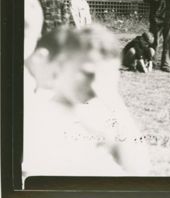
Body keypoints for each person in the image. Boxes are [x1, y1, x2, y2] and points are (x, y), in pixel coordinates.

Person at [24, 25, 150, 177]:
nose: (95, 86)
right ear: (62, 65)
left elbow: (138, 169)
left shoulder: (104, 111)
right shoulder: (37, 109)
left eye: (105, 77)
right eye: (87, 73)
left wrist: (113, 100)